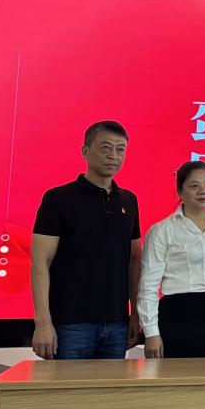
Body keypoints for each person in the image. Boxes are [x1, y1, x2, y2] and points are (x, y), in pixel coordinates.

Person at [31, 121, 142, 360]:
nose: (113, 156)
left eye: (120, 149)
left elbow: (134, 261)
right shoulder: (58, 199)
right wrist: (42, 321)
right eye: (105, 148)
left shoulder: (128, 201)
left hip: (117, 323)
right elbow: (40, 262)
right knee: (67, 385)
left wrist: (135, 313)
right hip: (70, 324)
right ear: (85, 151)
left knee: (110, 386)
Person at [137, 161, 205, 358]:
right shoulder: (162, 230)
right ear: (180, 192)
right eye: (194, 186)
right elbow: (148, 285)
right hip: (176, 316)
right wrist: (151, 333)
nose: (203, 191)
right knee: (175, 375)